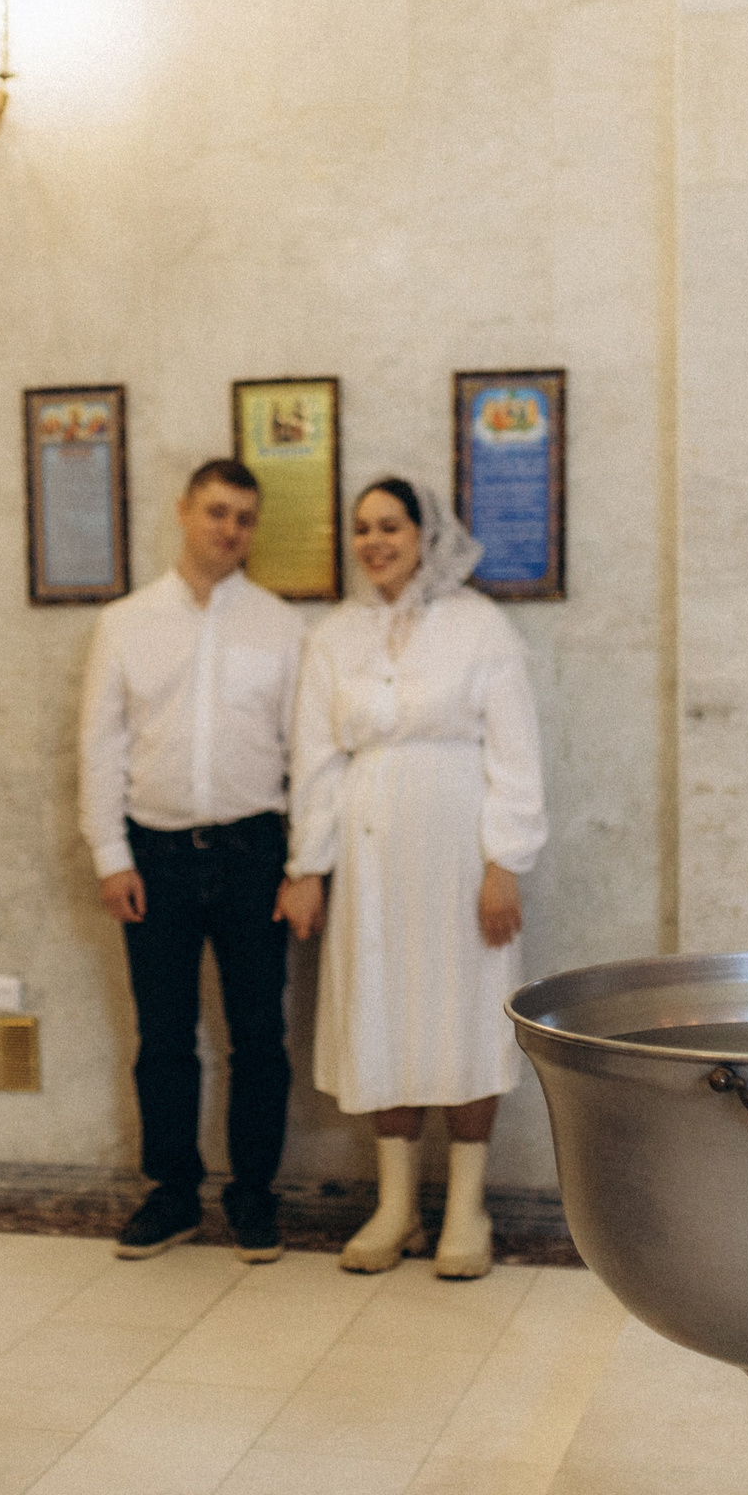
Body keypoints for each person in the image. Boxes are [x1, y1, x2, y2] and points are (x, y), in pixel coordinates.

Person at [275, 475, 547, 1280]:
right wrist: (307, 867)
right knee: (380, 1011)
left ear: (426, 535)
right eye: (362, 528)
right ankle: (395, 1204)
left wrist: (506, 861)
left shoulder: (479, 628)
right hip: (368, 857)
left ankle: (466, 1205)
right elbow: (315, 761)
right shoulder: (335, 635)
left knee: (465, 1011)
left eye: (391, 526)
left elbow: (516, 755)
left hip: (460, 849)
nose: (375, 542)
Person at [79, 459, 305, 1261]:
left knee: (260, 1037)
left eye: (244, 517)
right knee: (164, 1035)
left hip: (255, 852)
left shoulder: (281, 625)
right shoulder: (127, 621)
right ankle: (171, 1193)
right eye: (217, 511)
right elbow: (101, 746)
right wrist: (111, 855)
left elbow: (303, 755)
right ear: (183, 511)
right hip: (156, 853)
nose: (230, 529)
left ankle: (253, 1196)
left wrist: (303, 866)